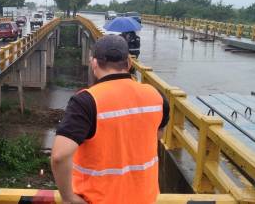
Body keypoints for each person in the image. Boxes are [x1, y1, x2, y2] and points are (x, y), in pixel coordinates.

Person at [51, 35, 170, 204]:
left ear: (94, 63)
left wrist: (68, 197)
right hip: (145, 199)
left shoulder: (86, 101)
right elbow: (156, 135)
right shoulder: (156, 96)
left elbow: (59, 156)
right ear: (128, 64)